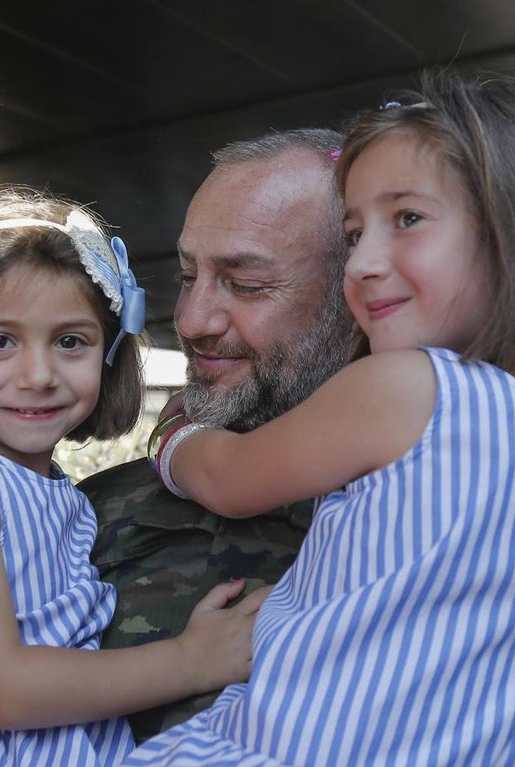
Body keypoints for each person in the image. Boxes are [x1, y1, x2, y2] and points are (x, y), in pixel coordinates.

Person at [126, 70, 515, 765]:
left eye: (406, 219)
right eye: (353, 234)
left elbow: (226, 476)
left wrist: (175, 435)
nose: (366, 262)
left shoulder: (409, 388)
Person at [0, 186, 264, 766]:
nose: (37, 375)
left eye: (69, 342)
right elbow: (3, 690)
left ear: (108, 353)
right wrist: (194, 660)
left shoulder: (56, 492)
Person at [80, 127, 356, 740]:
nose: (191, 321)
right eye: (186, 277)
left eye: (246, 284)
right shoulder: (83, 521)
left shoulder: (461, 517)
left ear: (360, 288)